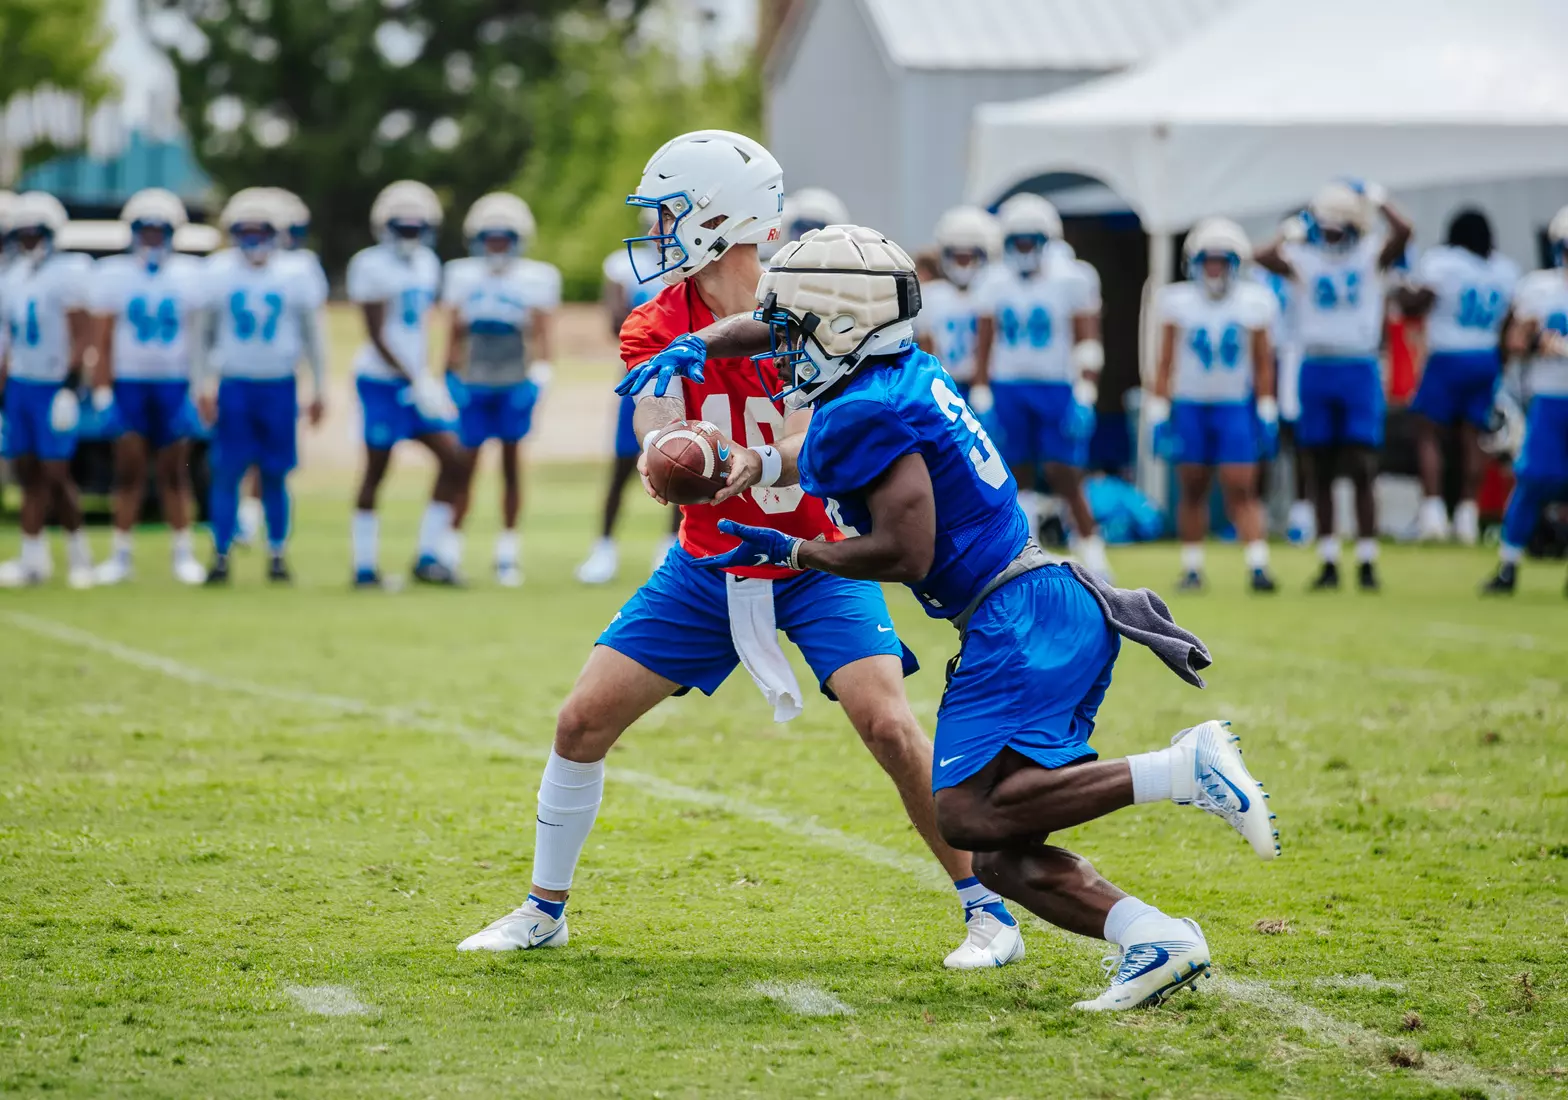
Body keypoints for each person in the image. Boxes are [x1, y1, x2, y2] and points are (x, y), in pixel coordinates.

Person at [657, 223, 1279, 1010]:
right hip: (1038, 602)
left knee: (964, 813)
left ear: (839, 329)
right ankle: (1156, 938)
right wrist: (699, 346)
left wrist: (795, 555)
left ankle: (1183, 769)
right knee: (998, 855)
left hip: (1019, 618)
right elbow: (789, 326)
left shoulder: (861, 411)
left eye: (788, 333)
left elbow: (907, 552)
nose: (775, 349)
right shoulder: (895, 369)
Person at [457, 131, 1022, 970]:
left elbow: (813, 429)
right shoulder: (658, 319)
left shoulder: (809, 298)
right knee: (580, 722)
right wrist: (670, 453)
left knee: (890, 726)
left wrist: (746, 463)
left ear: (720, 216)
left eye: (669, 214)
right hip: (708, 561)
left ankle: (987, 911)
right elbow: (652, 414)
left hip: (813, 553)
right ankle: (544, 909)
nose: (656, 232)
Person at [1255, 180, 1413, 591]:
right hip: (1317, 364)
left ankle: (1366, 558)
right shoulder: (1305, 256)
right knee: (1319, 466)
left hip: (1359, 365)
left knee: (1362, 465)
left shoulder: (1368, 253)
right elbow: (1261, 256)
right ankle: (1328, 558)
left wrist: (1377, 200)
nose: (1331, 233)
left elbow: (1405, 232)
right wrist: (1292, 229)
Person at [970, 193, 1112, 578]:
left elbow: (1087, 342)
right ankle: (1026, 549)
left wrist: (1085, 394)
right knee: (1014, 472)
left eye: (1032, 239)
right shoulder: (993, 279)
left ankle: (1093, 553)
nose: (1025, 248)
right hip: (1008, 386)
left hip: (1056, 386)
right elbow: (984, 343)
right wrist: (982, 392)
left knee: (1065, 471)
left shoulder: (1073, 277)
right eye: (1018, 239)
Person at [192, 190, 327, 584]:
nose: (253, 238)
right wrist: (202, 385)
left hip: (279, 384)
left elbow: (313, 337)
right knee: (226, 471)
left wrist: (320, 388)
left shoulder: (298, 271)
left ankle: (277, 552)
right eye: (245, 230)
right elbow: (203, 336)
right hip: (235, 384)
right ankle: (220, 553)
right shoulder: (218, 271)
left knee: (275, 473)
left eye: (260, 230)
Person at [1147, 218, 1279, 592]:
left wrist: (1267, 411)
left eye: (1222, 261)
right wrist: (1159, 412)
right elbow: (1165, 360)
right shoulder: (1178, 301)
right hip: (1190, 404)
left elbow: (1262, 362)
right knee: (1192, 486)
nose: (1215, 269)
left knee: (1240, 485)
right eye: (1209, 260)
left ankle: (1258, 566)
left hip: (1233, 405)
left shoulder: (1253, 301)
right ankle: (1192, 567)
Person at [346, 179, 465, 588]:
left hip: (415, 382)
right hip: (380, 382)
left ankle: (428, 556)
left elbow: (419, 330)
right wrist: (417, 378)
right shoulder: (370, 264)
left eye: (416, 228)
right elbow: (377, 334)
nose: (409, 236)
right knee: (377, 468)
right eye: (403, 227)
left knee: (453, 458)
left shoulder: (428, 263)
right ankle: (364, 566)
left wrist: (427, 376)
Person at [87, 188, 208, 586]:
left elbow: (198, 337)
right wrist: (102, 390)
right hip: (130, 383)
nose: (153, 238)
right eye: (147, 230)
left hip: (174, 383)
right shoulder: (115, 274)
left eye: (160, 231)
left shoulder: (190, 275)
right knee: (129, 470)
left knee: (176, 472)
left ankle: (182, 553)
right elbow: (101, 339)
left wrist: (200, 385)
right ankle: (121, 555)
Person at [440, 192, 558, 586]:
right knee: (464, 468)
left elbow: (543, 334)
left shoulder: (535, 277)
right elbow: (453, 333)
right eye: (490, 238)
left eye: (502, 238)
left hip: (513, 380)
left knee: (511, 466)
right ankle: (450, 550)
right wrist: (447, 377)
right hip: (474, 380)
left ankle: (507, 553)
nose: (496, 246)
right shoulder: (461, 275)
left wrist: (542, 373)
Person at [1398, 209, 1518, 544]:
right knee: (1474, 437)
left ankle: (1434, 513)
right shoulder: (1504, 270)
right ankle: (1467, 514)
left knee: (1427, 432)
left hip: (1448, 355)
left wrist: (1399, 288)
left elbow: (1416, 303)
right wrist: (1501, 363)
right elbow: (1510, 321)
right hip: (1486, 356)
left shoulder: (1445, 262)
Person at [576, 210, 680, 584]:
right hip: (639, 376)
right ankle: (603, 548)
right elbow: (616, 324)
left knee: (686, 461)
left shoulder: (689, 266)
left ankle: (671, 546)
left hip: (687, 378)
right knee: (623, 464)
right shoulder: (623, 265)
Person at [0, 192, 96, 589]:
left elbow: (83, 333)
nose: (28, 242)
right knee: (26, 472)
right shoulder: (13, 277)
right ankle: (32, 558)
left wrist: (71, 386)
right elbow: (8, 340)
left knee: (56, 473)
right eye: (21, 235)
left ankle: (79, 554)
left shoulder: (70, 271)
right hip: (22, 383)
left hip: (52, 384)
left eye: (34, 234)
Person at [1480, 205, 1568, 595]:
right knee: (1532, 479)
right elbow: (1514, 341)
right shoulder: (1541, 288)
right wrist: (1538, 343)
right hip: (1549, 397)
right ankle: (1509, 564)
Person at [915, 205, 1001, 402]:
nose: (964, 264)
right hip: (946, 381)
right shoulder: (932, 295)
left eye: (971, 257)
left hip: (985, 383)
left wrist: (982, 383)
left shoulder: (992, 291)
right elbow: (927, 345)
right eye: (958, 257)